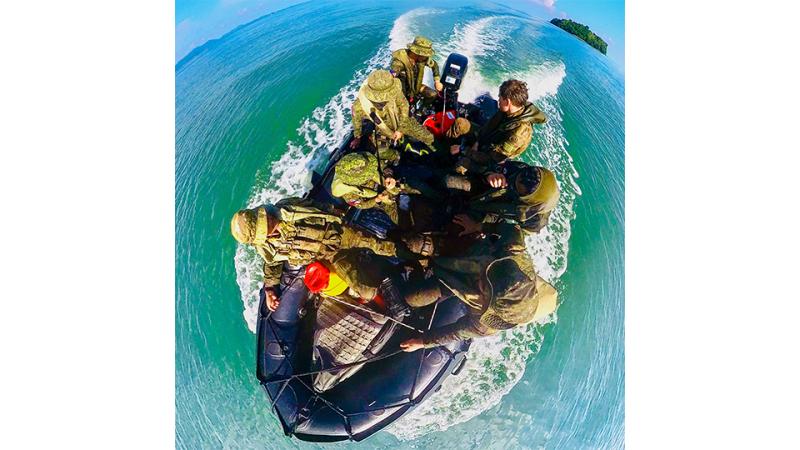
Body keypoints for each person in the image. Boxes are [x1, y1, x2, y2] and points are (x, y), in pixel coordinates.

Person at [398, 224, 558, 351]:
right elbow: (511, 228)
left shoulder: (484, 325)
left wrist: (422, 342)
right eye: (489, 278)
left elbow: (456, 332)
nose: (483, 281)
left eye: (486, 288)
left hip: (462, 285)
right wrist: (478, 226)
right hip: (476, 254)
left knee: (411, 298)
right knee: (415, 243)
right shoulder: (514, 252)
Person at [230, 197, 399, 311]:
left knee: (380, 245)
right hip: (330, 256)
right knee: (366, 291)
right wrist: (269, 288)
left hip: (339, 233)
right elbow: (272, 263)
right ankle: (384, 280)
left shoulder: (287, 207)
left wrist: (337, 213)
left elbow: (316, 205)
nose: (269, 222)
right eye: (263, 226)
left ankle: (406, 252)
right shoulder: (269, 248)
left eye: (264, 219)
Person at [452, 79, 547, 175]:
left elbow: (491, 159)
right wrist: (477, 141)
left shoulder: (518, 134)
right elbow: (488, 126)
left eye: (500, 97)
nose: (498, 100)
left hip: (491, 160)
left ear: (508, 102)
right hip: (486, 140)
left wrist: (464, 150)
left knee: (460, 167)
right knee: (460, 123)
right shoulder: (507, 110)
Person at [447, 161, 560, 236]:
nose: (510, 186)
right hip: (489, 190)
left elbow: (512, 232)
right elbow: (493, 166)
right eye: (514, 180)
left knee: (455, 230)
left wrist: (478, 227)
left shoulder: (536, 220)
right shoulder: (523, 171)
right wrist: (490, 175)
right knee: (449, 181)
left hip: (494, 215)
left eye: (515, 189)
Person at [350, 70, 435, 164]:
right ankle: (397, 155)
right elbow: (356, 120)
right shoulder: (360, 105)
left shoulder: (394, 91)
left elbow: (404, 106)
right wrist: (357, 137)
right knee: (381, 153)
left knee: (429, 137)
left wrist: (400, 129)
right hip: (381, 130)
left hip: (402, 120)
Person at [330, 151, 402, 223]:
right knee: (401, 221)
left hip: (398, 186)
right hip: (385, 201)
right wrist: (377, 199)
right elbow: (361, 205)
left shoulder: (363, 160)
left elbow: (384, 166)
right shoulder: (346, 192)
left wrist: (388, 175)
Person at [390, 36, 443, 104]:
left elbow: (434, 65)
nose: (427, 57)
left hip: (416, 88)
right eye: (425, 54)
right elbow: (392, 76)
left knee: (432, 94)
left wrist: (437, 81)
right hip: (402, 91)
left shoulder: (422, 58)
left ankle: (421, 111)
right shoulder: (399, 62)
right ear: (417, 53)